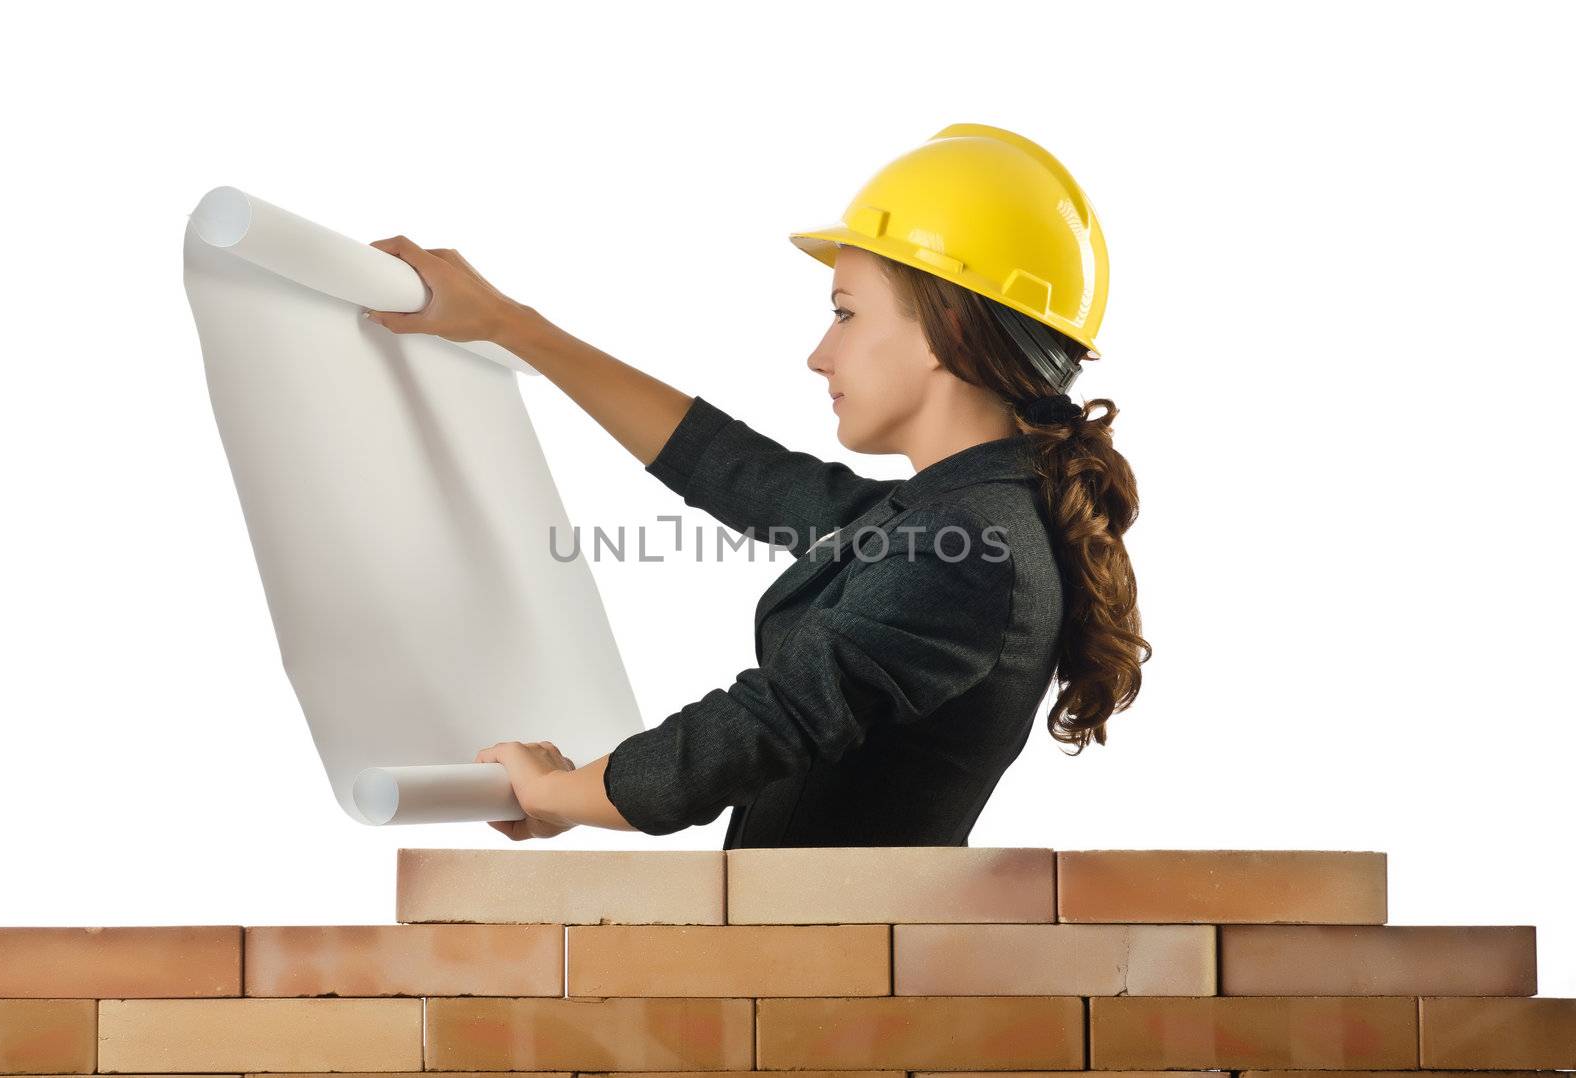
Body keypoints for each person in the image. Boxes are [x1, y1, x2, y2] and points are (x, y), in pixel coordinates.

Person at [362, 122, 1150, 847]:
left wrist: (562, 793)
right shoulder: (952, 520)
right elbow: (737, 472)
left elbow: (758, 728)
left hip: (834, 979)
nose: (819, 354)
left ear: (946, 331)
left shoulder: (970, 546)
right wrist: (509, 323)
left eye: (845, 314)